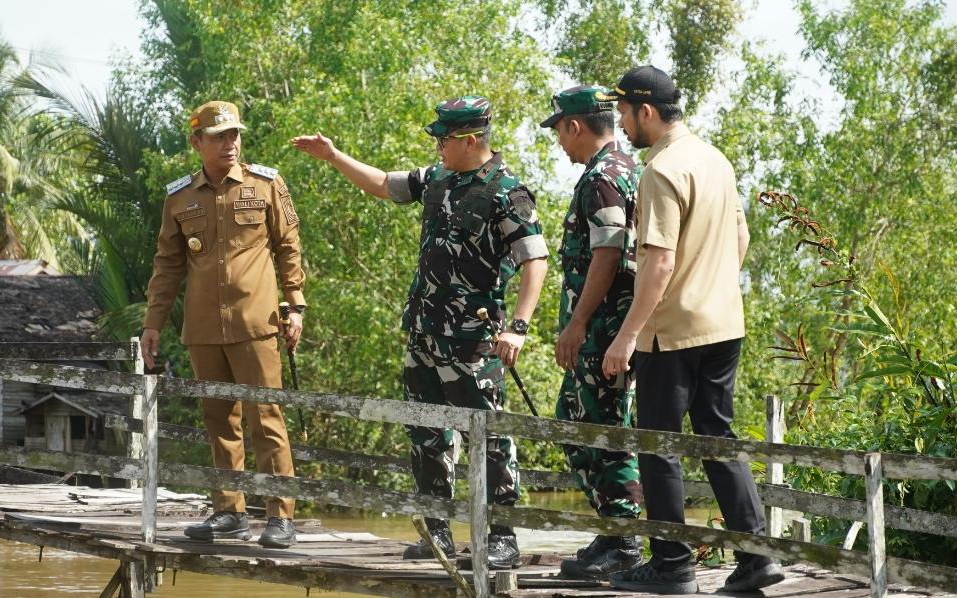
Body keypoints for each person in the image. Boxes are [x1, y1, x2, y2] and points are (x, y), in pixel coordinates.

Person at [290, 96, 549, 569]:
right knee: (426, 434)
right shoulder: (437, 179)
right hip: (425, 335)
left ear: (472, 140)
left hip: (473, 341)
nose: (437, 146)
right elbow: (384, 186)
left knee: (487, 438)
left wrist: (518, 328)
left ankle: (502, 536)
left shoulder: (507, 192)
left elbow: (536, 260)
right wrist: (333, 157)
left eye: (444, 139)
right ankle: (437, 533)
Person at [596, 66, 785, 593]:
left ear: (647, 113)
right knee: (717, 435)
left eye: (625, 114)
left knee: (659, 444)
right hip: (724, 322)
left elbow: (657, 265)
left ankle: (673, 565)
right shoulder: (715, 160)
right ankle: (755, 555)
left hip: (672, 331)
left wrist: (627, 334)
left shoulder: (660, 171)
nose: (622, 124)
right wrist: (712, 286)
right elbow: (740, 239)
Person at [141, 100, 305, 549]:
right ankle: (229, 512)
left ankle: (279, 517)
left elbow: (288, 245)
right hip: (204, 329)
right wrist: (152, 324)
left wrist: (296, 304)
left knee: (266, 417)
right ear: (197, 143)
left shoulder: (266, 185)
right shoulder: (180, 198)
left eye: (235, 135)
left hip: (257, 322)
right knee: (218, 419)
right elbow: (167, 265)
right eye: (219, 136)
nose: (230, 143)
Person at [539, 85, 645, 580]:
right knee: (581, 421)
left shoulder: (602, 178)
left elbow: (606, 254)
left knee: (603, 429)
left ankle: (623, 541)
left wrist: (577, 324)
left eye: (559, 131)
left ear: (575, 126)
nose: (560, 142)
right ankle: (613, 529)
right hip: (612, 327)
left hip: (603, 329)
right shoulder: (629, 169)